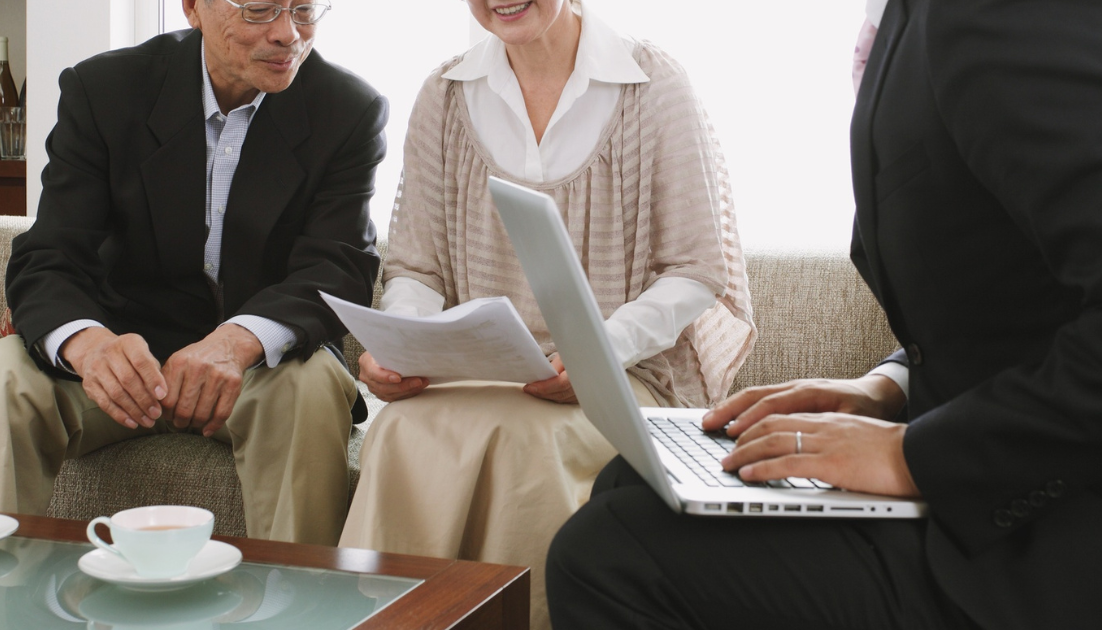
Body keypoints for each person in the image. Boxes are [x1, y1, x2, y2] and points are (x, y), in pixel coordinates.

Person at [545, 0, 1102, 627]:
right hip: (1017, 493)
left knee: (610, 556)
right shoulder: (920, 20)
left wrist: (913, 458)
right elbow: (1016, 293)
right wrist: (886, 388)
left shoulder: (1016, 14)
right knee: (633, 481)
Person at [337, 1, 755, 627]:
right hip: (480, 373)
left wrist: (597, 352)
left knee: (528, 443)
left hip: (622, 375)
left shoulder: (652, 85)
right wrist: (407, 344)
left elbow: (695, 269)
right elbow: (418, 269)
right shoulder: (446, 93)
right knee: (400, 429)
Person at [1, 0, 388, 546]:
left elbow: (338, 266)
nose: (288, 34)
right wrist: (89, 346)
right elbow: (49, 255)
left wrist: (236, 343)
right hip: (123, 365)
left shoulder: (348, 109)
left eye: (303, 9)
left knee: (310, 386)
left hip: (259, 370)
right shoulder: (104, 89)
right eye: (260, 10)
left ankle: (303, 595)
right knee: (8, 377)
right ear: (192, 8)